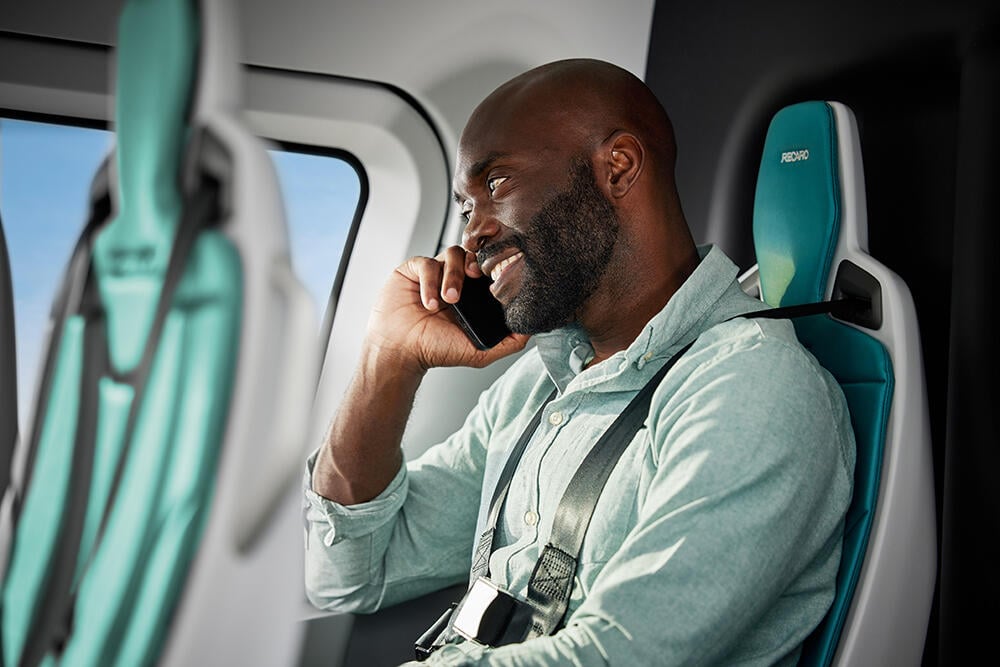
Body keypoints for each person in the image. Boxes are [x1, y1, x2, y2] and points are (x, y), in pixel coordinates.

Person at [304, 58, 855, 666]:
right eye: (464, 208)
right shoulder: (539, 384)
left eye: (496, 184)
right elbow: (348, 574)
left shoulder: (749, 386)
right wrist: (389, 358)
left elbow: (618, 655)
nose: (470, 238)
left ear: (617, 167)